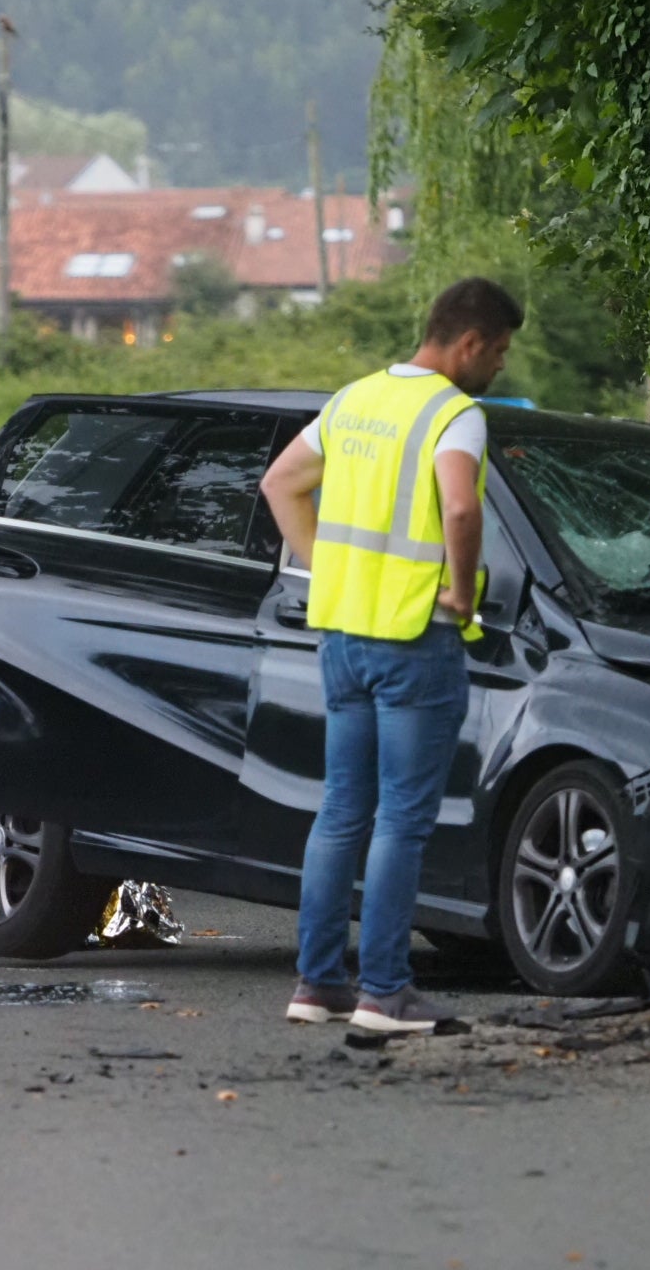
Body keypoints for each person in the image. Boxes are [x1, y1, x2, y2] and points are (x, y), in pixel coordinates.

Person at [258, 277, 522, 1033]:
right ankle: (385, 992)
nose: (498, 367)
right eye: (498, 352)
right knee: (403, 819)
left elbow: (280, 484)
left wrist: (322, 569)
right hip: (416, 638)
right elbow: (463, 507)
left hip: (342, 636)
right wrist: (463, 592)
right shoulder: (455, 414)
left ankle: (316, 983)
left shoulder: (353, 401)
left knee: (341, 810)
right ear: (468, 344)